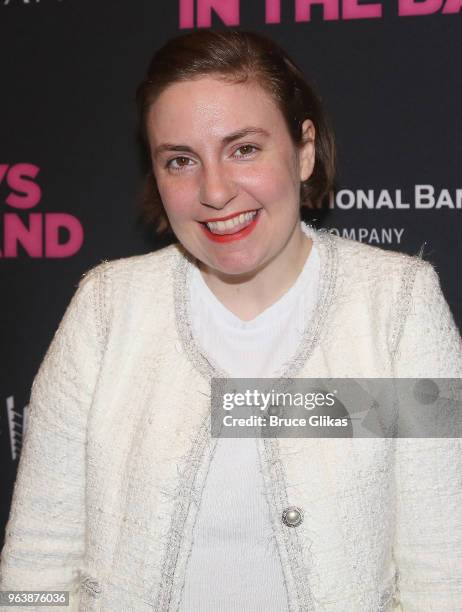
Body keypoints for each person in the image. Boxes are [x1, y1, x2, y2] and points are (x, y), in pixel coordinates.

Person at [1, 29, 461, 612]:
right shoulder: (107, 309)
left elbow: (447, 570)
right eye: (180, 160)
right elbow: (34, 566)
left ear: (304, 150)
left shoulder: (398, 307)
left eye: (244, 149)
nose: (214, 192)